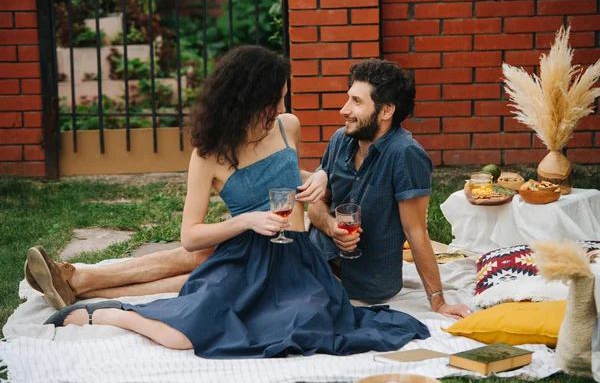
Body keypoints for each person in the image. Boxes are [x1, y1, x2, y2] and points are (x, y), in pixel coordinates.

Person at [40, 45, 430, 359]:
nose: (281, 109)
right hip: (246, 252)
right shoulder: (209, 155)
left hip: (298, 259)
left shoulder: (287, 126)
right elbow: (190, 235)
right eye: (273, 102)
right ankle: (100, 311)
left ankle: (82, 286)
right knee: (186, 330)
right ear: (245, 101)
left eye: (282, 100)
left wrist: (321, 179)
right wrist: (248, 221)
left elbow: (294, 179)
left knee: (312, 326)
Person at [307, 59, 471, 319]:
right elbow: (316, 203)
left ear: (386, 111)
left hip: (367, 286)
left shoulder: (405, 155)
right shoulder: (341, 139)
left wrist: (438, 302)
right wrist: (330, 226)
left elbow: (416, 231)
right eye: (348, 98)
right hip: (314, 263)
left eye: (357, 102)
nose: (344, 109)